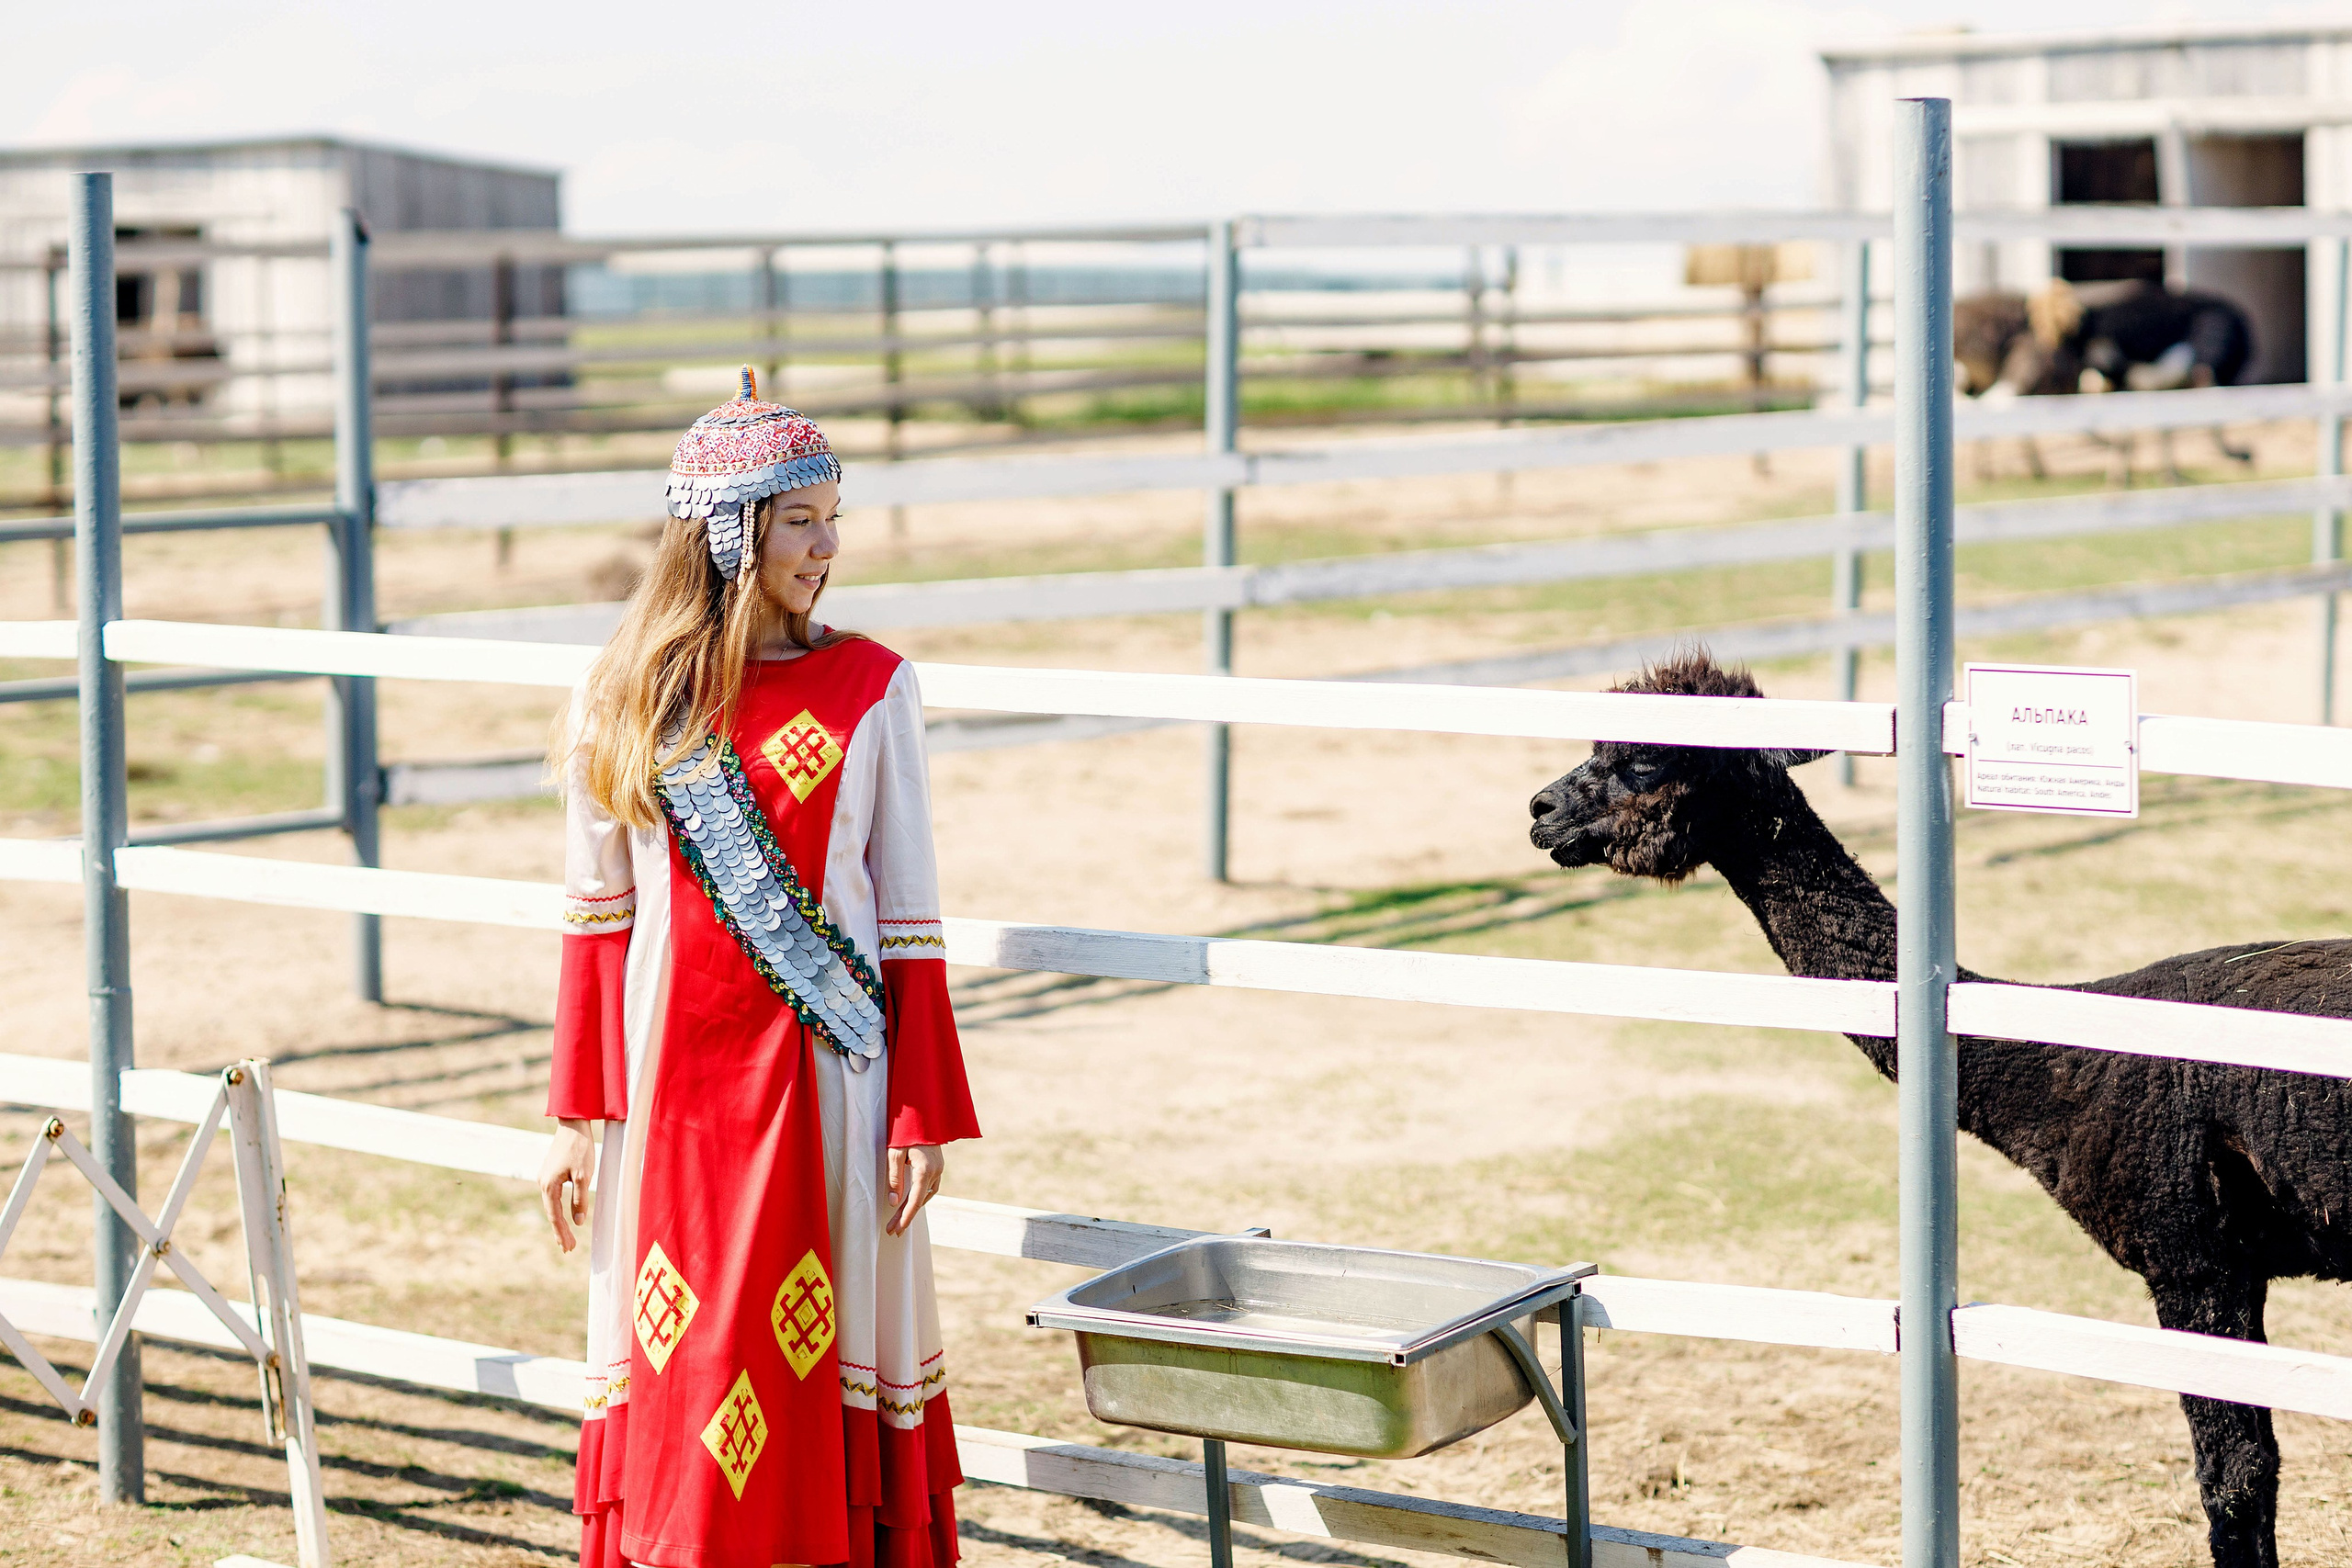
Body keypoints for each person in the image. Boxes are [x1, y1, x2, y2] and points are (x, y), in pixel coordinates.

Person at [537, 368, 980, 1568]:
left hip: (828, 1088)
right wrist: (580, 1115)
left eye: (835, 516)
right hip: (670, 1091)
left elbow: (909, 924)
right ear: (729, 533)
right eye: (801, 519)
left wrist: (917, 1106)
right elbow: (597, 919)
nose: (828, 546)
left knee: (809, 1340)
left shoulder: (872, 688)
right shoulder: (620, 695)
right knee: (688, 1348)